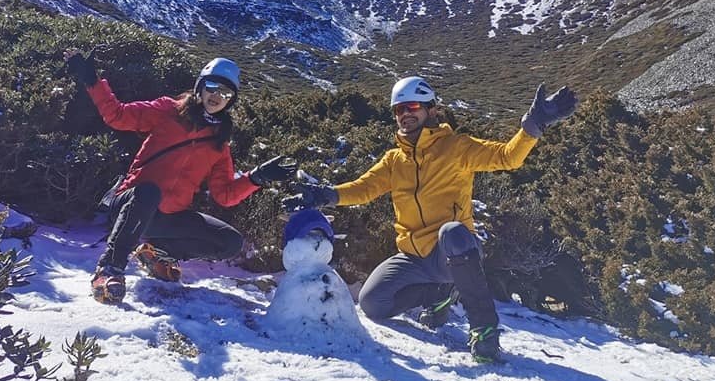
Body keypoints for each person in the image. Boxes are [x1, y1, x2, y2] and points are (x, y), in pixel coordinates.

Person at [282, 76, 576, 362]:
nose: (404, 115)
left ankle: (484, 330)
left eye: (412, 107)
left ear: (431, 109)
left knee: (452, 231)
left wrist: (533, 125)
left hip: (456, 250)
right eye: (399, 109)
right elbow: (365, 188)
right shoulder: (395, 160)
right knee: (373, 304)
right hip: (413, 256)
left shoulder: (456, 147)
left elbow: (507, 157)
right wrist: (325, 195)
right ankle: (439, 294)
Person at [66, 52, 296, 304]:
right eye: (213, 86)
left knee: (230, 242)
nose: (217, 96)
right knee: (149, 192)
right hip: (131, 203)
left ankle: (158, 254)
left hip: (168, 218)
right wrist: (92, 82)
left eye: (226, 93)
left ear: (231, 101)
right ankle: (109, 270)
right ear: (200, 86)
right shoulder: (168, 110)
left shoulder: (218, 142)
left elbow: (225, 195)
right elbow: (118, 116)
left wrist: (257, 177)